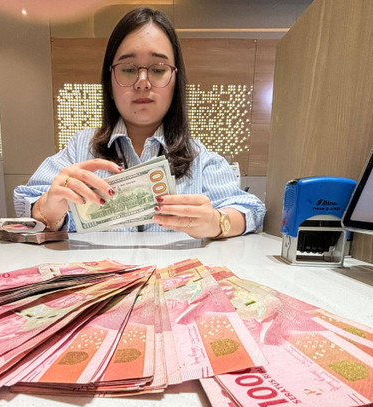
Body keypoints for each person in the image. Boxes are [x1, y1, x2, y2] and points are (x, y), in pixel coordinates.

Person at [14, 7, 266, 239]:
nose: (143, 81)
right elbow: (26, 205)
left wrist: (216, 221)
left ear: (176, 82)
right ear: (110, 82)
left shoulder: (197, 156)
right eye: (128, 68)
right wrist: (48, 209)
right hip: (100, 283)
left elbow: (251, 210)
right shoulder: (81, 149)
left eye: (158, 69)